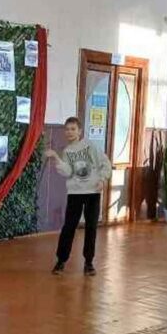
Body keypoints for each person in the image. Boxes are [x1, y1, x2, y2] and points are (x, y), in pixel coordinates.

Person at [45, 117, 112, 276]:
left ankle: (89, 263)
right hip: (75, 193)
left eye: (73, 129)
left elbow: (105, 163)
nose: (69, 132)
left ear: (80, 131)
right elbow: (68, 172)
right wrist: (56, 157)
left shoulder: (90, 146)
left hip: (92, 193)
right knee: (69, 227)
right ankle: (61, 261)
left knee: (91, 227)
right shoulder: (67, 152)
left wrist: (102, 179)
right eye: (67, 129)